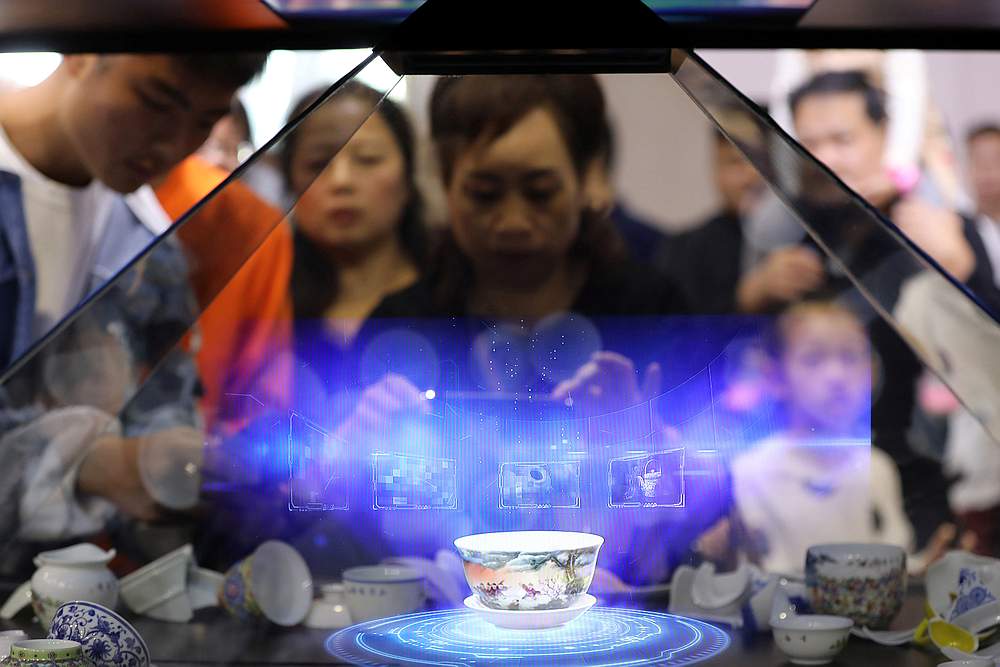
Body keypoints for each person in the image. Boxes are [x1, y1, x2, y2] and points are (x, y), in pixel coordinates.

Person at [0, 52, 267, 571]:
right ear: (82, 52)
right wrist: (88, 465)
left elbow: (163, 418)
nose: (173, 144)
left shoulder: (147, 240)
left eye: (204, 120)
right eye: (155, 101)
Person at [736, 70, 1000, 551]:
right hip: (800, 474)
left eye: (843, 139)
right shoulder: (781, 229)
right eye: (809, 141)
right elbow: (735, 370)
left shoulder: (937, 223)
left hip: (925, 478)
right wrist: (749, 298)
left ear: (884, 135)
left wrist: (963, 270)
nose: (825, 156)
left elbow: (987, 363)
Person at [693, 299, 914, 576]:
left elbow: (893, 560)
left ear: (871, 372)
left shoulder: (878, 467)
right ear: (775, 376)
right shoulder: (750, 472)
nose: (836, 375)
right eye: (813, 358)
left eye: (850, 357)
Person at [655, 130, 765, 312]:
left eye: (760, 160)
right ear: (716, 169)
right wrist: (748, 297)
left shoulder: (809, 238)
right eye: (736, 162)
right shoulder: (685, 250)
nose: (751, 174)